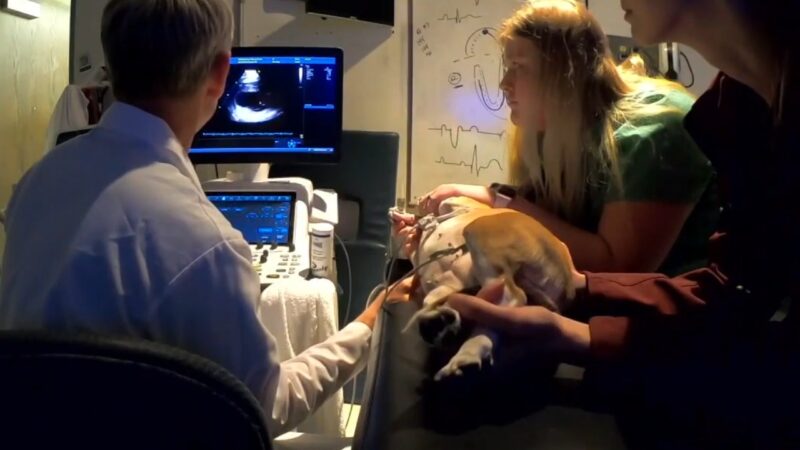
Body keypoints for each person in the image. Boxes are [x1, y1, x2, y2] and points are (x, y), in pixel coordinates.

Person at [0, 0, 411, 439]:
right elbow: (263, 407)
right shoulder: (208, 242)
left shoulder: (34, 185)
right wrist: (368, 325)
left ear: (111, 60)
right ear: (220, 74)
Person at [446, 0, 800, 447]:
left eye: (518, 66)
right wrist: (573, 302)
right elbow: (737, 285)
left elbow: (633, 265)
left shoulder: (662, 127)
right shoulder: (739, 105)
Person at [399, 0, 718, 276]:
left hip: (681, 331)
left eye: (518, 67)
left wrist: (496, 201)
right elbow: (543, 215)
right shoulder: (555, 131)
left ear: (565, 73)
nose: (504, 83)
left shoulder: (654, 131)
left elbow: (617, 268)